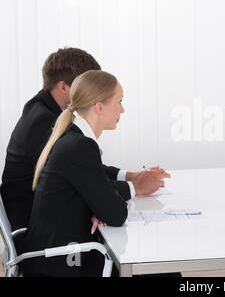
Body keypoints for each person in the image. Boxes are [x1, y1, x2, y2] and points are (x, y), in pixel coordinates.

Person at [0, 48, 162, 250]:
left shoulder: (60, 123)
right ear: (64, 87)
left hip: (56, 228)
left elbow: (84, 173)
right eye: (82, 83)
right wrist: (121, 193)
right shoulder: (43, 121)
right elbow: (86, 179)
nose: (85, 89)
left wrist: (124, 178)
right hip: (45, 239)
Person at [21, 70, 170, 277]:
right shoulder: (79, 146)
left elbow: (96, 179)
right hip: (63, 264)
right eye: (119, 102)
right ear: (99, 108)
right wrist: (104, 205)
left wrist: (101, 204)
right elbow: (116, 214)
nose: (123, 109)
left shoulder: (72, 136)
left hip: (60, 256)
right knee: (162, 271)